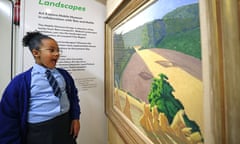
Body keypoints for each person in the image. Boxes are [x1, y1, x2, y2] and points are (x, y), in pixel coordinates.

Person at [0, 31, 81, 144]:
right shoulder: (20, 82)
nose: (57, 54)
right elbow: (8, 116)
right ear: (36, 53)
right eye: (52, 50)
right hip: (39, 131)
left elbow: (73, 97)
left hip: (65, 125)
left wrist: (75, 117)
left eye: (58, 50)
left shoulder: (64, 75)